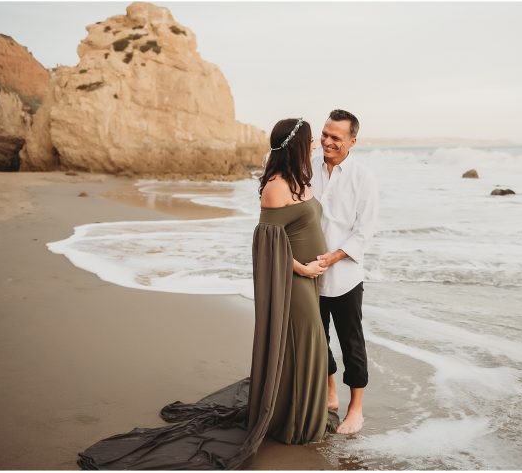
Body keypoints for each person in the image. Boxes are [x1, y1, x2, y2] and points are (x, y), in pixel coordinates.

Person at [76, 118, 337, 469]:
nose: (315, 144)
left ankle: (299, 412)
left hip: (311, 278)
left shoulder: (301, 181)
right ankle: (292, 422)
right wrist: (302, 269)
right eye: (310, 140)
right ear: (296, 144)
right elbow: (267, 242)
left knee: (306, 343)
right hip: (292, 280)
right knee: (307, 340)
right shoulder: (275, 187)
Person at [311, 109, 378, 435]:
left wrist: (333, 257)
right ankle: (330, 390)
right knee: (317, 338)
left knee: (352, 343)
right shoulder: (308, 167)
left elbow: (364, 232)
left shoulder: (363, 178)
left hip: (345, 276)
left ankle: (356, 409)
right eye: (325, 134)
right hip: (309, 273)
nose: (327, 141)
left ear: (352, 141)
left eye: (336, 137)